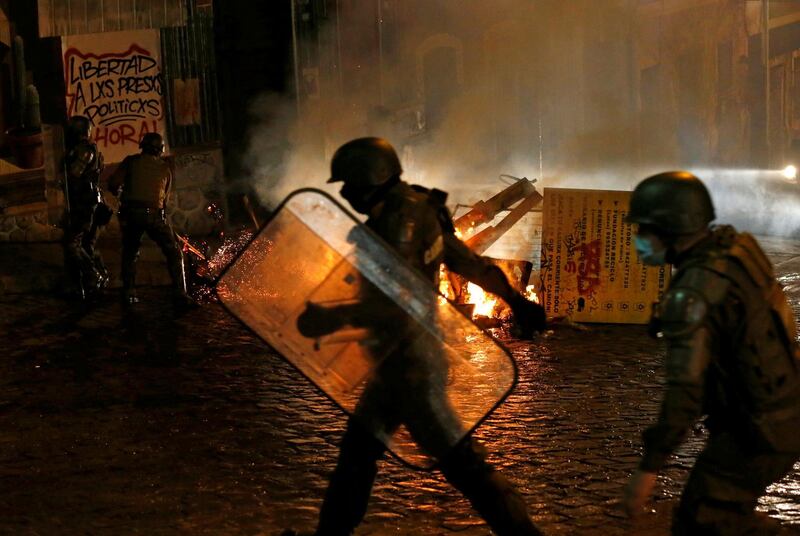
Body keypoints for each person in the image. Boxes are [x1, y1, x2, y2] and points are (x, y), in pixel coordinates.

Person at [292, 137, 545, 536]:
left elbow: (399, 298)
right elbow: (468, 263)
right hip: (393, 365)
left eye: (348, 184)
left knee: (465, 465)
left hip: (412, 368)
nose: (343, 193)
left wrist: (331, 317)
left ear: (371, 180)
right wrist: (515, 299)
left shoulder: (399, 223)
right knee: (357, 457)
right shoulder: (419, 209)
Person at [622, 171, 800, 534]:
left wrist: (649, 467)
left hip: (762, 429)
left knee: (705, 520)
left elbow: (684, 391)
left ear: (670, 231)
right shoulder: (735, 251)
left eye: (644, 231)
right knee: (723, 519)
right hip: (781, 413)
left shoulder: (692, 295)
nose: (638, 240)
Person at [108, 132, 189, 306]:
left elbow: (113, 184)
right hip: (154, 215)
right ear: (160, 150)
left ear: (143, 146)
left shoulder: (130, 162)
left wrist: (119, 193)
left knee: (130, 251)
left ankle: (129, 292)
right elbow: (164, 201)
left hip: (131, 215)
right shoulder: (165, 168)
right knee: (174, 251)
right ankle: (180, 293)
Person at [62, 115, 111, 300]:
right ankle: (86, 284)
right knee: (86, 245)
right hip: (87, 202)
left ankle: (94, 275)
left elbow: (74, 173)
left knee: (73, 244)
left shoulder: (84, 150)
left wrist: (65, 162)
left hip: (85, 203)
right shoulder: (86, 149)